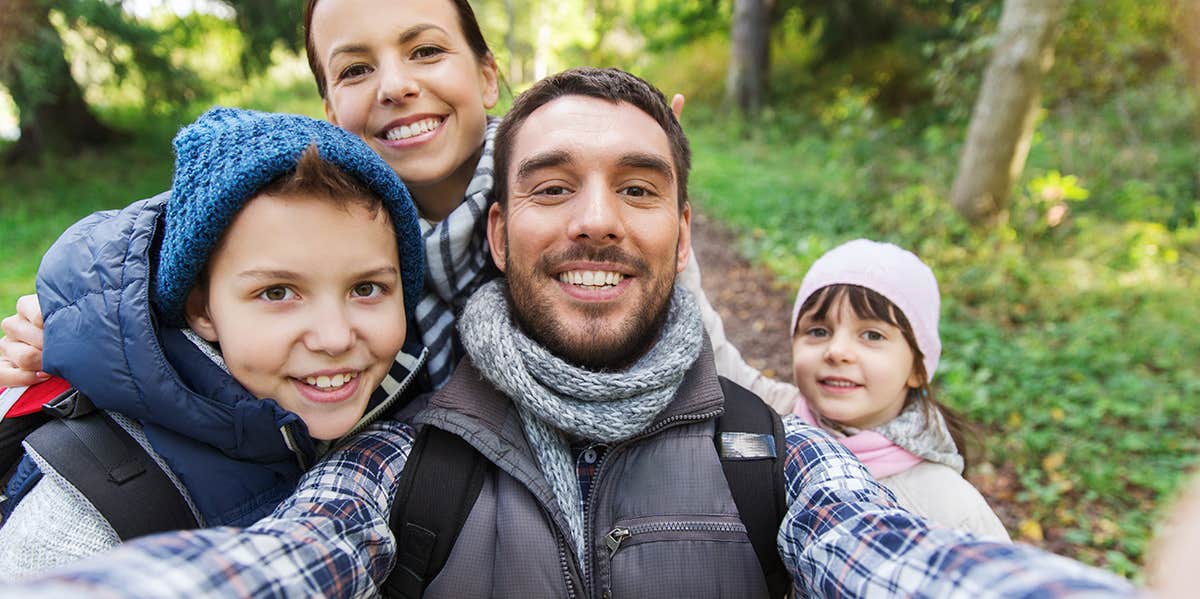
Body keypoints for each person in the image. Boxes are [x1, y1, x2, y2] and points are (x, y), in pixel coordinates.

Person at [0, 68, 1134, 599]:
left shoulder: (776, 454)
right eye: (552, 186)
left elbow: (912, 566)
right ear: (492, 233)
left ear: (683, 234)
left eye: (638, 187)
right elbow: (272, 562)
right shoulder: (399, 456)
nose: (596, 216)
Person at [0, 0, 688, 393]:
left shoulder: (574, 212)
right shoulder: (311, 222)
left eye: (424, 52)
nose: (394, 86)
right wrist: (67, 322)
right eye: (356, 69)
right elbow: (181, 244)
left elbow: (704, 357)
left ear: (485, 76)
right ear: (331, 111)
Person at [0, 107, 427, 577]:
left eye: (366, 288)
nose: (334, 337)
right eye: (278, 292)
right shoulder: (83, 519)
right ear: (202, 309)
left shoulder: (405, 383)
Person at [730, 238, 1007, 539]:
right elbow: (712, 350)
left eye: (872, 335)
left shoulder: (952, 510)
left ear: (917, 368)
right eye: (818, 331)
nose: (837, 351)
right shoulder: (775, 416)